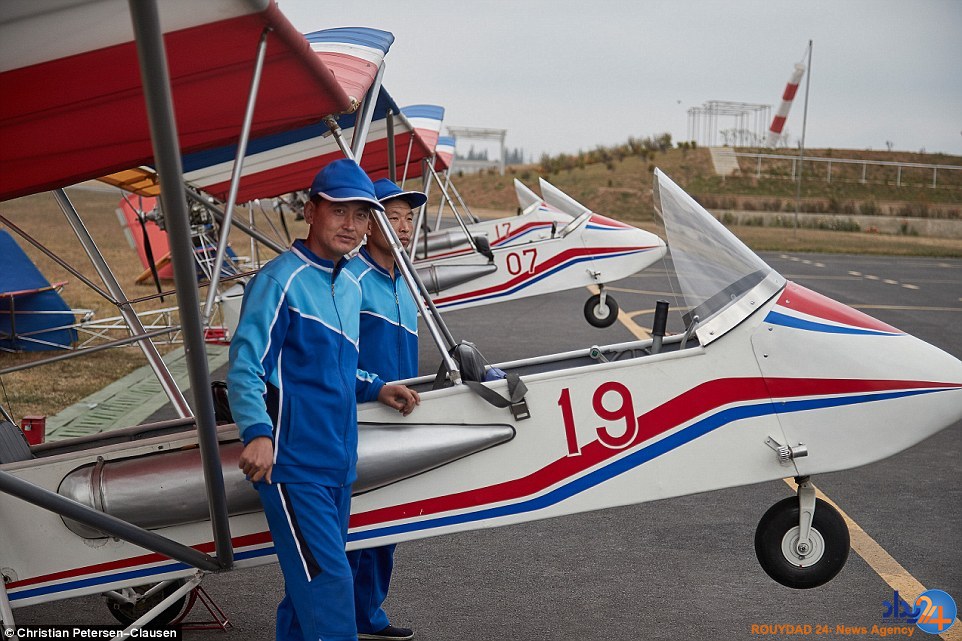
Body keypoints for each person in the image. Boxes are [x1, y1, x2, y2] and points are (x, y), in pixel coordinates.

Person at [227, 159, 420, 641]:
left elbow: (335, 369)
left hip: (338, 464)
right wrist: (257, 433)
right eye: (339, 212)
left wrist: (375, 387)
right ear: (311, 211)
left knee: (306, 588)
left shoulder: (348, 286)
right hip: (294, 466)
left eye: (360, 215)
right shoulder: (279, 281)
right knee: (330, 583)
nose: (351, 225)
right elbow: (246, 367)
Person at [345, 179, 426, 641]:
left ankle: (368, 616)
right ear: (370, 222)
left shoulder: (406, 281)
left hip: (400, 416)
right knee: (354, 526)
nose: (403, 226)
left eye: (409, 217)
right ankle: (340, 620)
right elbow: (336, 360)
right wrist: (374, 387)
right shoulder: (351, 279)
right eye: (392, 216)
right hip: (358, 415)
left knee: (387, 523)